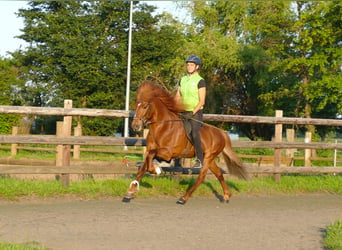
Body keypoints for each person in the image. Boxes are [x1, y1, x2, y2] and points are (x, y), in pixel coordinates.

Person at [175, 55, 206, 168]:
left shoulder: (200, 81)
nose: (189, 67)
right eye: (188, 65)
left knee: (194, 133)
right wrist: (175, 107)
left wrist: (192, 112)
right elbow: (178, 95)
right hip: (182, 111)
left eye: (191, 65)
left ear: (197, 67)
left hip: (195, 113)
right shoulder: (182, 80)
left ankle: (199, 159)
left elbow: (202, 101)